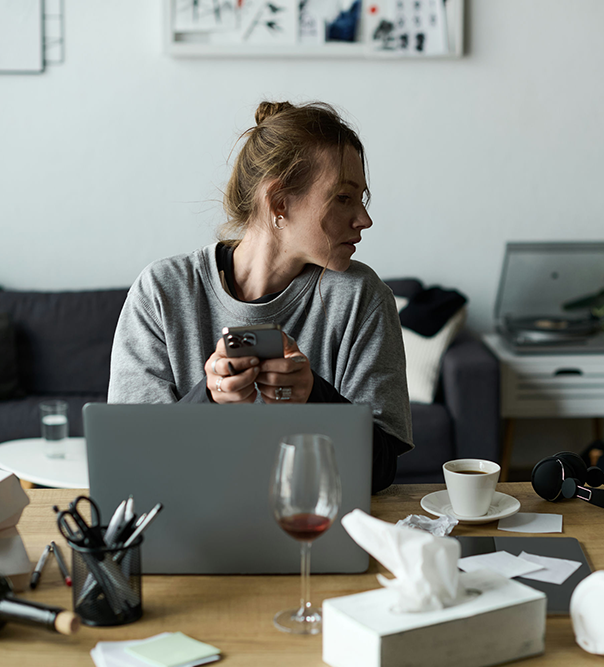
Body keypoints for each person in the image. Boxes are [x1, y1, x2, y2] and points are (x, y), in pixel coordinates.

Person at [108, 101, 413, 492]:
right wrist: (210, 399)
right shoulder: (162, 291)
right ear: (279, 202)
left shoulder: (362, 298)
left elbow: (381, 471)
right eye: (343, 198)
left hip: (313, 531)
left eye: (361, 199)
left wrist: (312, 397)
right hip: (190, 535)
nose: (364, 219)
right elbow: (133, 459)